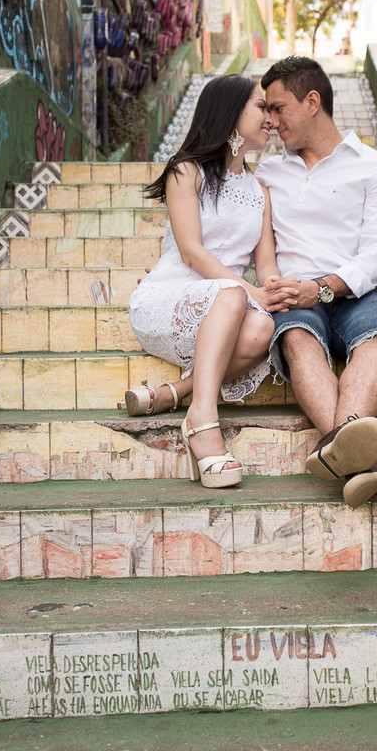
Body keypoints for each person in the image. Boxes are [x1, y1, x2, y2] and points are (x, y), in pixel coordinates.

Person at [255, 57, 377, 508]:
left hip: (358, 293)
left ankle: (342, 452)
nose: (271, 120)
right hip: (295, 298)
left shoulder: (376, 168)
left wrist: (321, 288)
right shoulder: (267, 173)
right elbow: (239, 239)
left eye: (279, 108)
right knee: (298, 338)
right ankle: (366, 465)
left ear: (313, 101)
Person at [125, 74, 285, 489]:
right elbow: (192, 253)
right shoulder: (186, 171)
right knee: (233, 295)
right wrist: (248, 290)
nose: (270, 118)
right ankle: (203, 418)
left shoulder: (259, 190)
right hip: (171, 296)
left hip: (225, 301)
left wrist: (273, 288)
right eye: (260, 107)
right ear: (230, 113)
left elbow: (264, 263)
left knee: (265, 327)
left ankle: (174, 393)